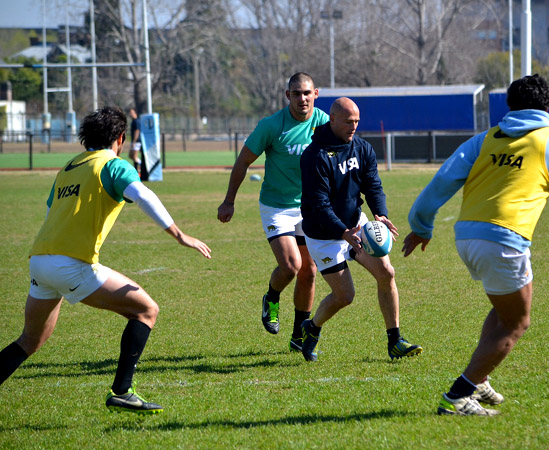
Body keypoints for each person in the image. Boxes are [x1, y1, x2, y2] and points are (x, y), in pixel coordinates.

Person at [402, 74, 549, 416]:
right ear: (548, 107)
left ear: (509, 105)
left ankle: (480, 379)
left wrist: (421, 226)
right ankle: (458, 396)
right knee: (517, 323)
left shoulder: (485, 139)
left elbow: (441, 182)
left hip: (467, 237)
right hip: (504, 241)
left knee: (503, 310)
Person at [0, 106, 212, 414]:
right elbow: (144, 196)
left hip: (40, 261)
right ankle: (122, 391)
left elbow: (50, 215)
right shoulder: (112, 164)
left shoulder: (69, 167)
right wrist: (181, 235)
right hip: (70, 264)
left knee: (29, 341)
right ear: (120, 139)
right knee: (146, 310)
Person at [299, 97, 423, 362]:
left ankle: (395, 341)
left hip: (356, 223)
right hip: (324, 235)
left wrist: (380, 214)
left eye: (356, 121)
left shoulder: (362, 148)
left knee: (386, 272)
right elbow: (319, 205)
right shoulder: (315, 156)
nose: (353, 126)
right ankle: (311, 327)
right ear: (332, 119)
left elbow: (373, 186)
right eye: (348, 121)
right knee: (345, 296)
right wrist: (343, 232)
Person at [217, 73, 329, 351]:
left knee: (310, 272)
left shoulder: (325, 124)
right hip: (277, 206)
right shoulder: (271, 125)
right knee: (291, 266)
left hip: (310, 207)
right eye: (296, 93)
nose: (302, 98)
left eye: (306, 93)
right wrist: (229, 201)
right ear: (287, 95)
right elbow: (243, 162)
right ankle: (272, 296)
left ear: (316, 93)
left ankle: (299, 335)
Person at [128, 108, 142, 175]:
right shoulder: (133, 121)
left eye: (132, 112)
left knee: (134, 156)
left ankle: (141, 166)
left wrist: (134, 141)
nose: (130, 114)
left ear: (135, 113)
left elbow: (137, 131)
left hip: (136, 141)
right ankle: (137, 169)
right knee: (130, 156)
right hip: (134, 141)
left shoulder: (136, 121)